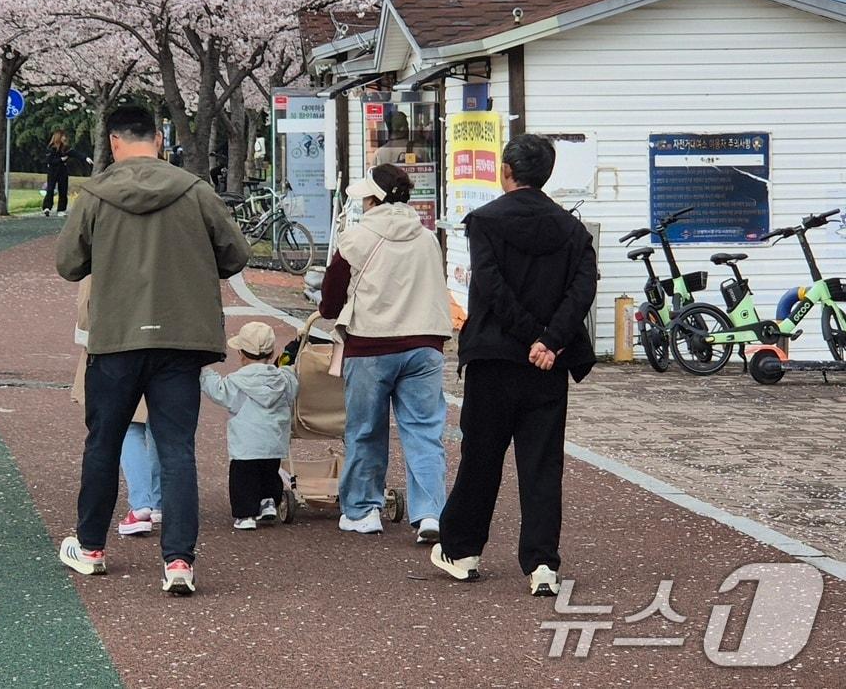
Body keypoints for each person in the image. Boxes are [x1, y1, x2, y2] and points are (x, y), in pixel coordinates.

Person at [55, 104, 252, 597]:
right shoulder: (196, 191)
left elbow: (69, 264)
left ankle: (91, 548)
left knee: (103, 443)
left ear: (114, 142)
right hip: (181, 340)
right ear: (159, 140)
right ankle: (179, 561)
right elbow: (236, 255)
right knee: (177, 449)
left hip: (116, 338)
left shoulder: (95, 195)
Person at [431, 133, 597, 597]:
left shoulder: (485, 221)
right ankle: (542, 564)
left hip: (494, 357)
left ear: (506, 171)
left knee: (481, 458)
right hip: (548, 365)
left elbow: (491, 287)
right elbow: (582, 291)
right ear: (546, 174)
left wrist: (529, 336)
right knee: (542, 464)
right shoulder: (573, 231)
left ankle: (462, 552)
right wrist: (549, 340)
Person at [319, 163, 452, 543]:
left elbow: (331, 299)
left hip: (370, 345)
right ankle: (430, 513)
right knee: (424, 431)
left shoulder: (356, 238)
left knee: (365, 431)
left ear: (373, 200)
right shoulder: (427, 238)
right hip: (425, 345)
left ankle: (363, 511)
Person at [69, 278, 163, 537]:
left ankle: (141, 503)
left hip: (116, 343)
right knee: (160, 425)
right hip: (165, 342)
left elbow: (86, 298)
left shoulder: (107, 250)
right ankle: (159, 501)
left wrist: (86, 334)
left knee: (128, 427)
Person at [199, 321, 298, 531]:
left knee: (243, 479)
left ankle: (245, 515)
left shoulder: (237, 381)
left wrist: (204, 370)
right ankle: (268, 502)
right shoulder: (282, 379)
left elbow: (217, 390)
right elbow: (291, 379)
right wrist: (289, 360)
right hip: (274, 441)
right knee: (269, 472)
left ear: (241, 354)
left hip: (246, 444)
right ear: (272, 353)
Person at [42, 130, 92, 217]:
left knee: (63, 190)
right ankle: (47, 207)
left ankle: (61, 209)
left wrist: (86, 158)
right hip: (52, 171)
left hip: (62, 171)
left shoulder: (65, 148)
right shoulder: (51, 148)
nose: (65, 138)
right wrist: (61, 160)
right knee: (50, 189)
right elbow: (49, 161)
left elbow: (76, 153)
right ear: (59, 137)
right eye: (63, 136)